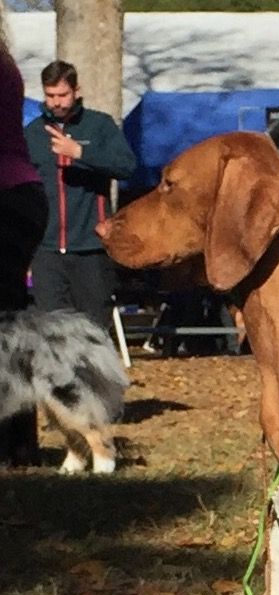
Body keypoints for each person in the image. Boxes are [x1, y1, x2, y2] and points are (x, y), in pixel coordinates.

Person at [24, 60, 136, 329]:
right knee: (51, 331)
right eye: (50, 95)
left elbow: (127, 166)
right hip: (47, 251)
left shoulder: (99, 126)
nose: (57, 102)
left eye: (63, 95)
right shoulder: (33, 133)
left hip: (90, 248)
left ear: (76, 91)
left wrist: (80, 154)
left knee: (93, 328)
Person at [0, 11, 47, 467]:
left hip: (6, 197)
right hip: (22, 194)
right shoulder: (6, 62)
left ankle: (14, 444)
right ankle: (18, 444)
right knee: (9, 322)